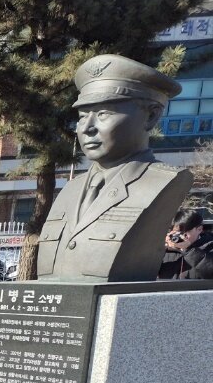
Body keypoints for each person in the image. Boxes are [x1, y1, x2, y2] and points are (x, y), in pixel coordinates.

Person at [35, 54, 193, 283]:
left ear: (151, 116)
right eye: (82, 116)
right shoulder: (71, 190)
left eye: (103, 114)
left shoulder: (164, 182)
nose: (87, 128)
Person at [158, 207, 213, 280]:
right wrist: (158, 250)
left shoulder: (209, 246)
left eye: (185, 233)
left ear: (199, 229)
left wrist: (189, 250)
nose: (180, 237)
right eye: (176, 233)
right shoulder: (167, 247)